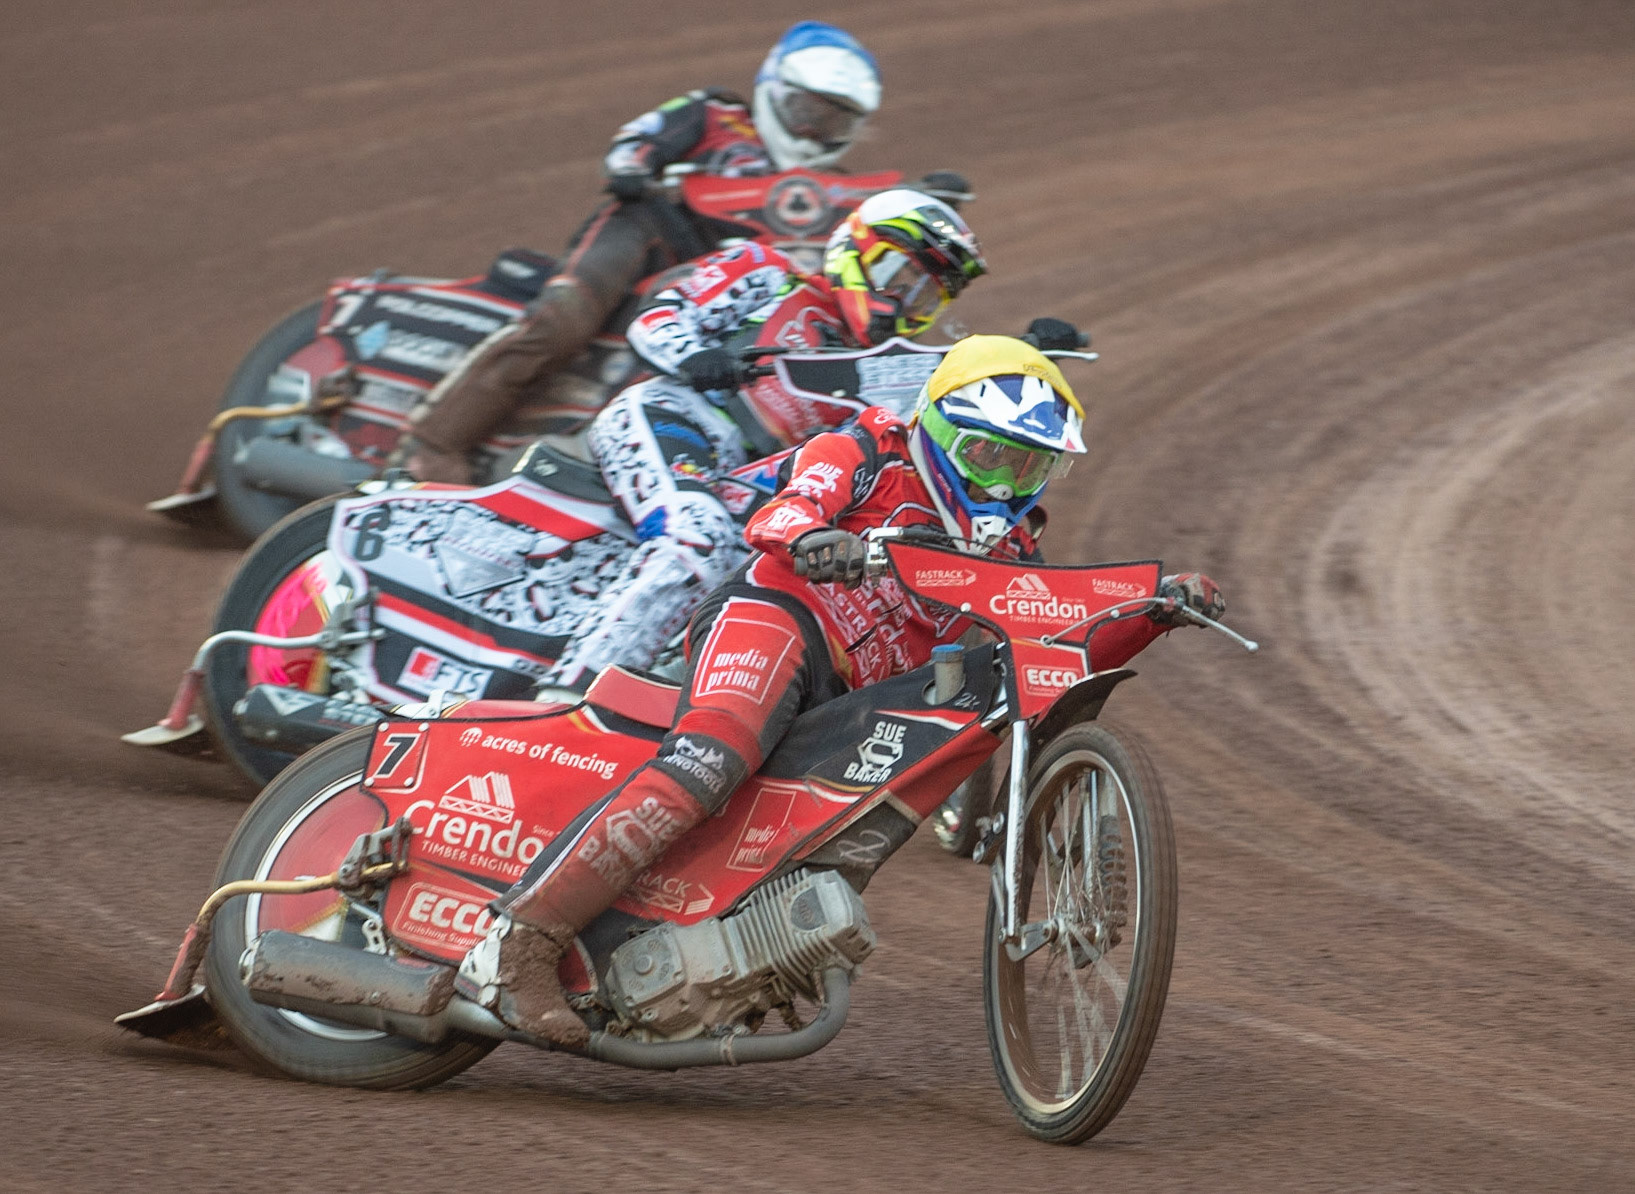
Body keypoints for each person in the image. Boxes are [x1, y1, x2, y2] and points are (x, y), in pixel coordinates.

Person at [456, 334, 1227, 1046]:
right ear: (939, 427)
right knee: (712, 758)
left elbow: (1052, 638)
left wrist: (1153, 611)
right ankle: (517, 946)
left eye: (1027, 467)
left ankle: (717, 955)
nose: (1002, 483)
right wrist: (814, 538)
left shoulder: (1018, 543)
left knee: (830, 836)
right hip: (780, 615)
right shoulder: (865, 449)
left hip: (860, 692)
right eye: (988, 455)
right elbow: (786, 507)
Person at [397, 21, 903, 485]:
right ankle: (434, 445)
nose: (814, 131)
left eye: (834, 121)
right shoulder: (715, 114)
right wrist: (633, 166)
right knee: (564, 318)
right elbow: (638, 139)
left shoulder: (834, 192)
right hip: (653, 231)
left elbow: (853, 255)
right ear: (775, 90)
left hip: (722, 286)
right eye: (808, 111)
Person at [530, 187, 987, 697]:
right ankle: (570, 691)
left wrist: (1032, 355)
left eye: (925, 295)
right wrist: (693, 356)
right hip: (674, 416)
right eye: (897, 278)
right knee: (696, 539)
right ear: (857, 250)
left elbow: (936, 428)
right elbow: (659, 316)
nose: (903, 301)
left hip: (752, 480)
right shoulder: (768, 271)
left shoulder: (889, 373)